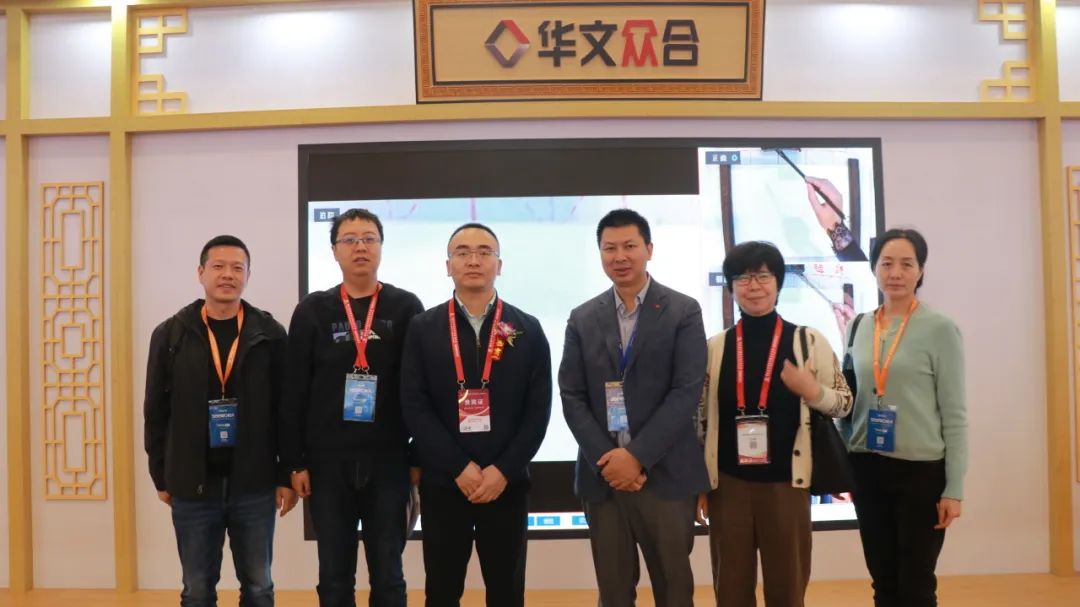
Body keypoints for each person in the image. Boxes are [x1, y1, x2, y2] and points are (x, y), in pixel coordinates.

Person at [559, 208, 708, 607]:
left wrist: (637, 456)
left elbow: (686, 392)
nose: (620, 256)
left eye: (629, 246)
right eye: (610, 248)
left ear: (649, 250)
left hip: (666, 475)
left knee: (674, 589)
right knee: (613, 592)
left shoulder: (683, 311)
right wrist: (610, 460)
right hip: (603, 478)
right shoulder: (582, 318)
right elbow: (571, 395)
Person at [401, 223, 551, 607]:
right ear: (447, 265)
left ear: (499, 265)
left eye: (484, 252)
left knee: (506, 592)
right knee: (442, 591)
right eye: (463, 252)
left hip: (506, 485)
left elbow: (538, 412)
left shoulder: (527, 329)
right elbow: (415, 405)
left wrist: (502, 471)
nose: (473, 260)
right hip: (444, 483)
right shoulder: (423, 328)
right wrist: (458, 467)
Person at [695, 241, 853, 607]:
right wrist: (700, 483)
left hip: (787, 485)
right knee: (731, 592)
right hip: (728, 487)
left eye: (763, 276)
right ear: (731, 287)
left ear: (778, 283)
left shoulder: (808, 342)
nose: (754, 285)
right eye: (743, 277)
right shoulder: (714, 348)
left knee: (787, 590)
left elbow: (844, 403)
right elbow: (700, 420)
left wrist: (812, 391)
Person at [281, 209, 425, 607]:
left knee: (389, 575)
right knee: (334, 576)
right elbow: (293, 392)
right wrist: (294, 462)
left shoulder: (406, 307)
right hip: (327, 463)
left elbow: (420, 389)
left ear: (381, 247)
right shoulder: (313, 310)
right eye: (349, 239)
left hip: (389, 461)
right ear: (334, 250)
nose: (360, 247)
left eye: (369, 238)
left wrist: (418, 456)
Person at [144, 235, 297, 607]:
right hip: (193, 485)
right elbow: (155, 411)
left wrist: (285, 474)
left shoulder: (270, 334)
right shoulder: (171, 334)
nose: (228, 275)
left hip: (255, 484)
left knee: (259, 587)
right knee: (197, 589)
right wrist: (162, 475)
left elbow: (287, 410)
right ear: (201, 273)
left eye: (237, 268)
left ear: (247, 276)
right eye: (218, 266)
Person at [840, 228, 966, 607]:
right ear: (874, 269)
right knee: (883, 580)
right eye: (887, 263)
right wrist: (843, 462)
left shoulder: (940, 329)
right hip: (867, 467)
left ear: (920, 271)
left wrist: (954, 488)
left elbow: (955, 414)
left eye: (906, 264)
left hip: (921, 473)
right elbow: (849, 398)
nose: (895, 273)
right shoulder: (858, 326)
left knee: (916, 584)